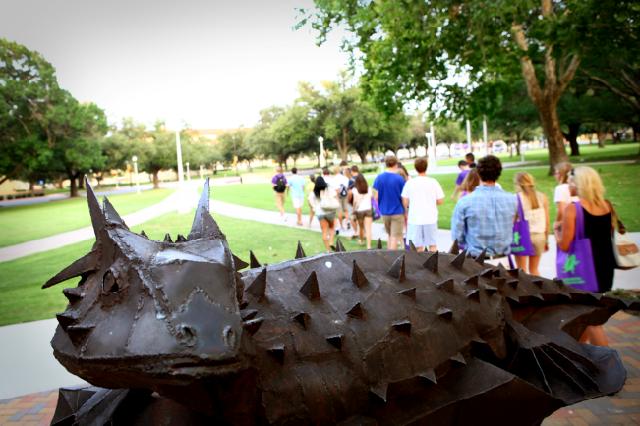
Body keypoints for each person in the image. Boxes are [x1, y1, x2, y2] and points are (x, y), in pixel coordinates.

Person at [555, 166, 615, 346]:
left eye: (570, 181)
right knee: (587, 314)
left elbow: (565, 246)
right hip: (603, 266)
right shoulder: (607, 205)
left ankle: (608, 364)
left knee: (590, 321)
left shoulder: (573, 209)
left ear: (578, 184)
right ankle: (580, 353)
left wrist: (556, 232)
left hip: (583, 271)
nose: (568, 184)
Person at [451, 155, 517, 258]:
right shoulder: (512, 200)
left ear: (479, 173)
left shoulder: (465, 202)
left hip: (475, 263)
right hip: (502, 260)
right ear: (499, 173)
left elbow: (457, 237)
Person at [401, 157, 444, 252]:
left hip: (415, 218)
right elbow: (440, 200)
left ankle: (419, 266)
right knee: (432, 245)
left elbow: (405, 202)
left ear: (415, 167)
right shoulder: (433, 182)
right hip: (430, 218)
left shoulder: (410, 183)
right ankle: (433, 265)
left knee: (417, 247)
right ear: (426, 167)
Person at [513, 172, 549, 276]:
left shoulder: (516, 198)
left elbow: (512, 221)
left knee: (521, 271)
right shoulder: (542, 197)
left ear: (518, 184)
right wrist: (546, 240)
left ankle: (524, 292)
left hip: (522, 237)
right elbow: (546, 222)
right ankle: (539, 290)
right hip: (539, 237)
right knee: (534, 270)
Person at [372, 155, 406, 250]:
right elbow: (403, 197)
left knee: (390, 235)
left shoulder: (379, 178)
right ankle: (392, 259)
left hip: (384, 211)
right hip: (397, 211)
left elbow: (376, 196)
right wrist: (406, 211)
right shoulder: (399, 179)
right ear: (396, 164)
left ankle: (388, 256)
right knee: (394, 236)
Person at [307, 176, 336, 251]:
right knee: (332, 228)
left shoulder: (314, 192)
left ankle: (328, 250)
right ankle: (331, 242)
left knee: (324, 231)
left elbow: (310, 200)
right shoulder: (328, 189)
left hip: (320, 213)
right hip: (330, 211)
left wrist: (314, 207)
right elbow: (335, 195)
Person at [351, 174, 374, 248]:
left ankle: (361, 240)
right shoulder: (369, 188)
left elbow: (355, 201)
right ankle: (369, 246)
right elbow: (371, 197)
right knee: (368, 228)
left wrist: (353, 210)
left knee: (361, 227)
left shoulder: (355, 190)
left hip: (359, 210)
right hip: (368, 209)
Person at [552, 161, 574, 230]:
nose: (554, 175)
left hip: (566, 222)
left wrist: (557, 223)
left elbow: (561, 210)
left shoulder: (560, 188)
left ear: (563, 175)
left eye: (556, 173)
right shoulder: (576, 186)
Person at [329, 166, 350, 231]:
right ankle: (347, 221)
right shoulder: (345, 178)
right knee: (346, 209)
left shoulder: (333, 179)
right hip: (345, 194)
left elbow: (335, 189)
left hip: (338, 196)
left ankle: (341, 226)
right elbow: (347, 187)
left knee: (339, 211)